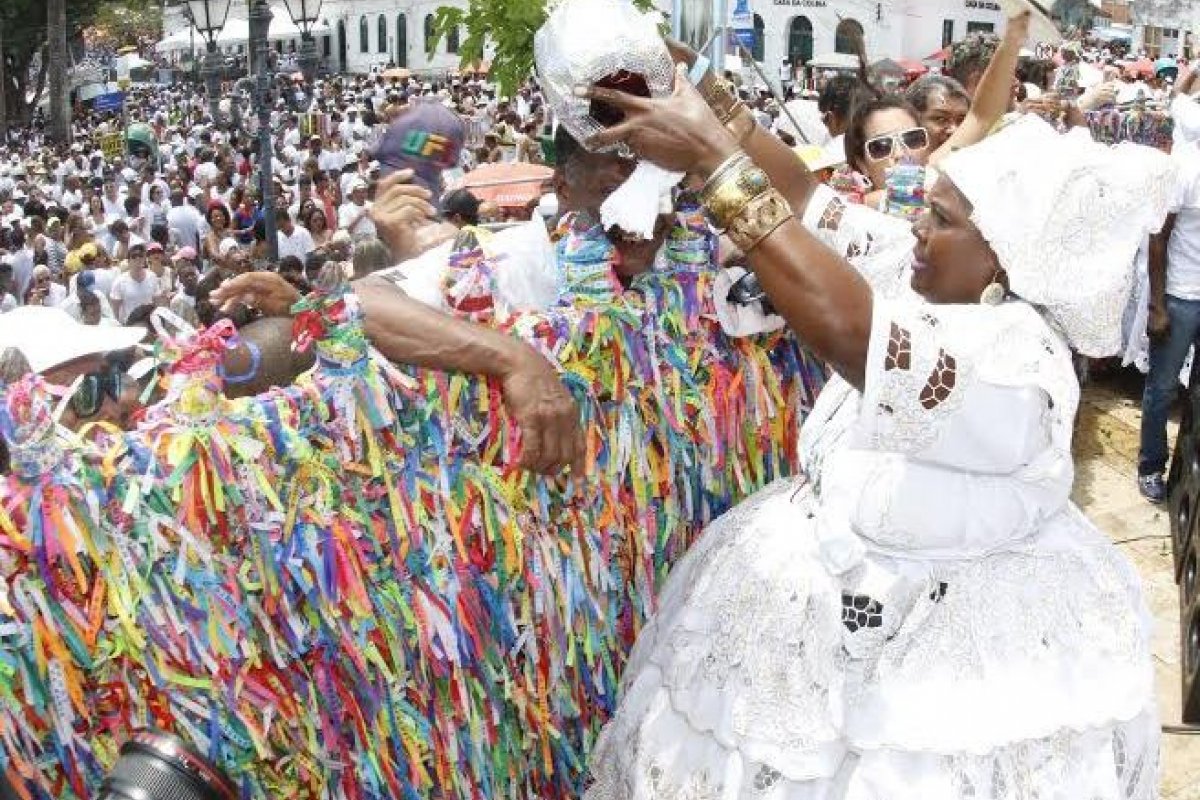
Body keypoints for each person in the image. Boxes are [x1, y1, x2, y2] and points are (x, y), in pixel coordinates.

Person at [574, 36, 1168, 799]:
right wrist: (705, 93)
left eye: (941, 219)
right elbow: (805, 202)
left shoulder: (1019, 365)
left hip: (929, 677)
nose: (916, 227)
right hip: (821, 638)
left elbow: (855, 336)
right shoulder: (929, 275)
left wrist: (718, 167)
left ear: (1003, 259)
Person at [1139, 143, 1200, 502]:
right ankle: (1151, 467)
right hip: (1180, 298)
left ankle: (1187, 473)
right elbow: (1158, 239)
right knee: (1162, 389)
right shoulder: (1187, 169)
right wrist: (1157, 305)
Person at [110, 244, 162, 323]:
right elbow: (115, 309)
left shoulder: (152, 277)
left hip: (149, 323)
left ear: (145, 259)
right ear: (129, 261)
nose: (138, 258)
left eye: (140, 256)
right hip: (129, 325)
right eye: (134, 256)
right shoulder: (119, 281)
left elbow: (157, 302)